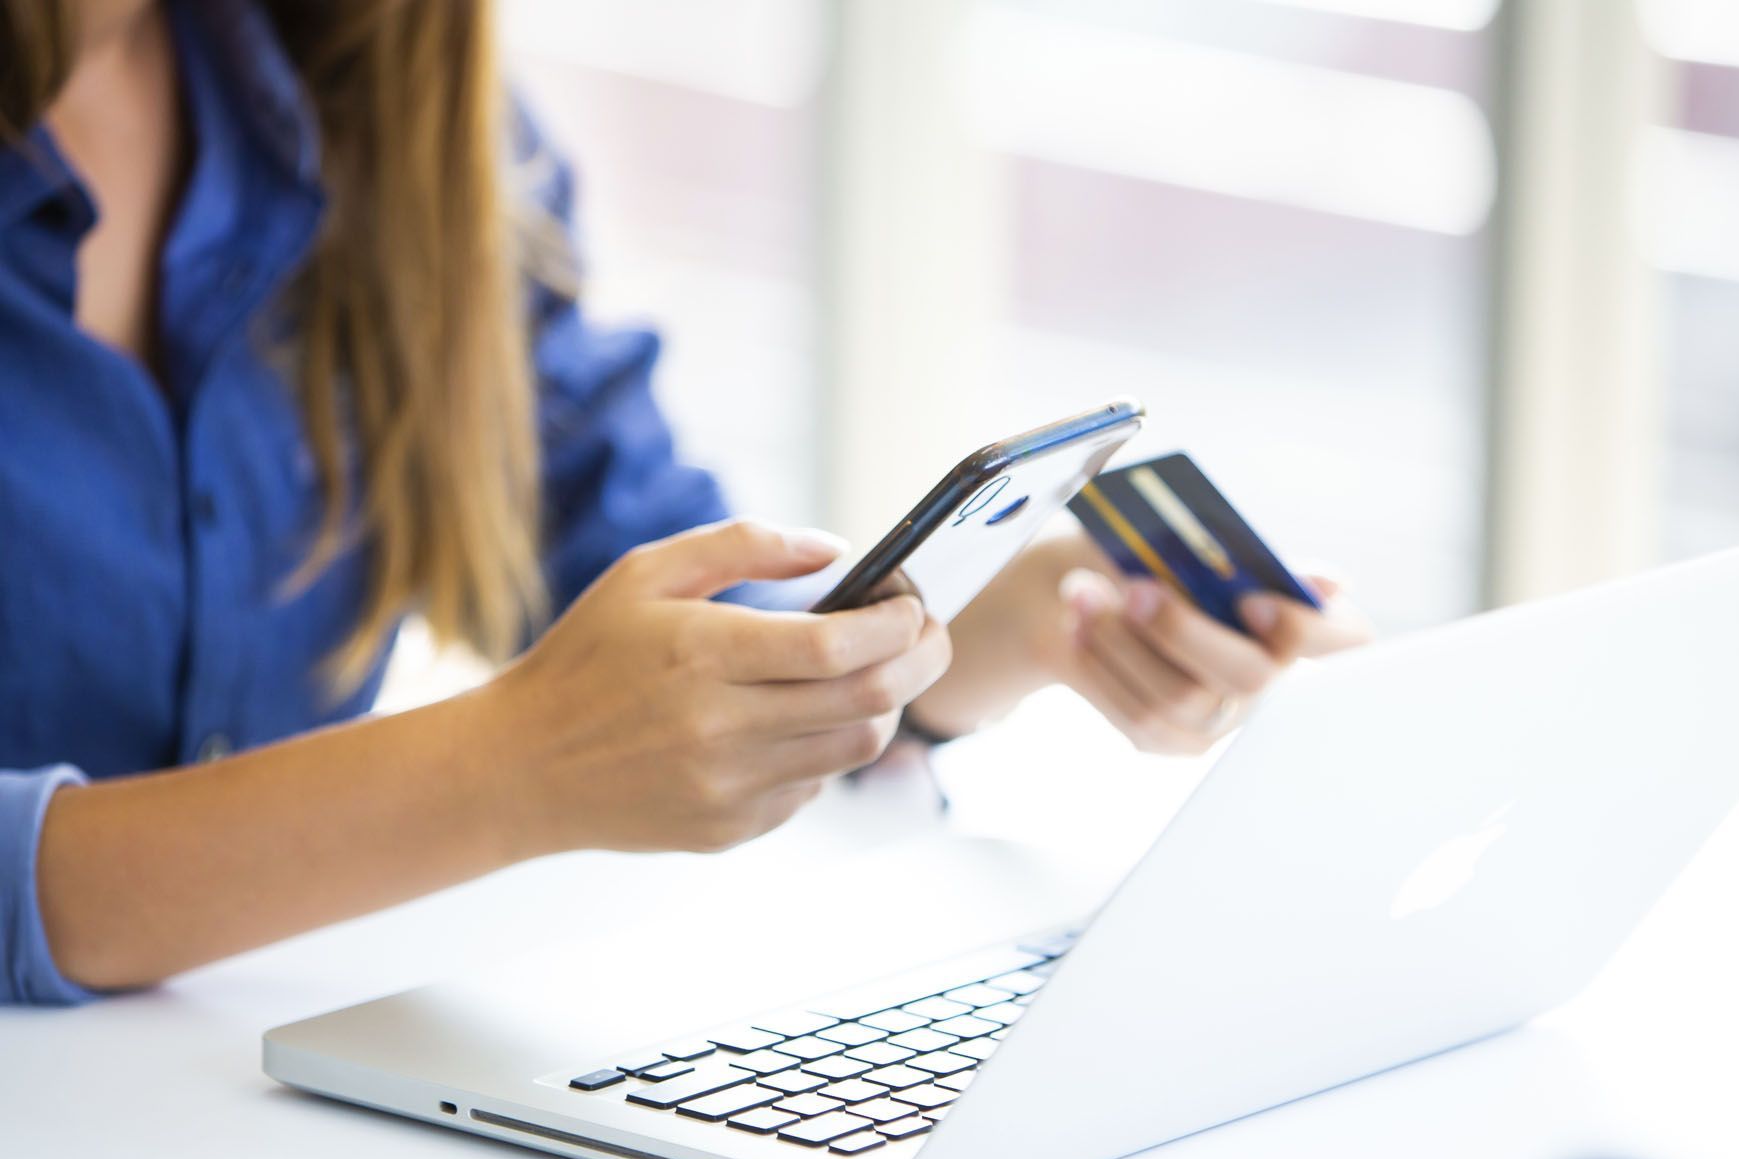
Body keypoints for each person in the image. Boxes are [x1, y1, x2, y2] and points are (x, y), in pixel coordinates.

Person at [0, 0, 1371, 1006]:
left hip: (239, 1124)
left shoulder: (354, 77)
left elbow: (647, 558)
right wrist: (506, 771)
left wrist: (1004, 616)